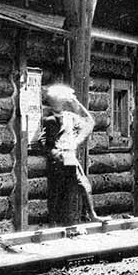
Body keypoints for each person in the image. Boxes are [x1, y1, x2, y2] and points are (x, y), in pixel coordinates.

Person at [44, 83, 106, 223]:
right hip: (59, 159)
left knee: (83, 185)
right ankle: (54, 223)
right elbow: (44, 143)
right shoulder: (49, 120)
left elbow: (90, 122)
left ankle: (92, 215)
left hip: (69, 157)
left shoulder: (69, 117)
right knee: (58, 191)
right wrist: (55, 153)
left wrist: (77, 141)